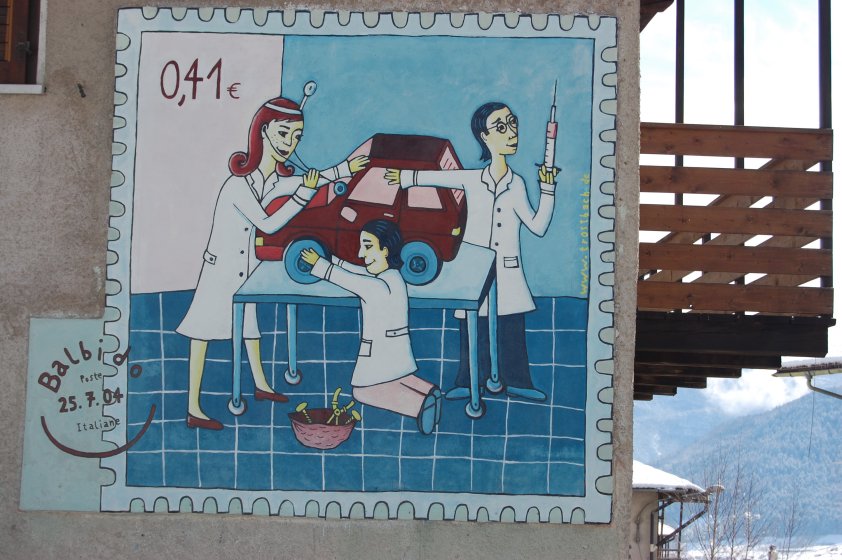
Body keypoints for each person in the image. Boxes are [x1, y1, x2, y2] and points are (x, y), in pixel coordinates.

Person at [177, 93, 369, 430]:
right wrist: (304, 195)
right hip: (220, 269)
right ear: (263, 131)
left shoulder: (272, 181)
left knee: (250, 327)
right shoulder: (237, 185)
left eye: (296, 137)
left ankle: (261, 385)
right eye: (283, 133)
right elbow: (268, 223)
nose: (289, 144)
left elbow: (308, 179)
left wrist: (343, 170)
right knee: (202, 332)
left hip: (246, 268)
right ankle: (193, 407)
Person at [385, 102, 558, 401]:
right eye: (501, 127)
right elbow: (439, 177)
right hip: (474, 271)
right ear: (484, 136)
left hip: (507, 271)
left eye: (512, 123)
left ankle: (518, 381)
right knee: (471, 325)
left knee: (510, 325)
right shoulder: (472, 179)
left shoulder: (516, 184)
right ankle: (468, 381)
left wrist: (548, 189)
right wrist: (405, 178)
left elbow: (538, 226)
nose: (511, 132)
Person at [300, 220, 442, 434]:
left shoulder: (377, 287)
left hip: (380, 351)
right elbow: (360, 272)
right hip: (396, 350)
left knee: (362, 392)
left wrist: (320, 265)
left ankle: (419, 405)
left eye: (367, 246)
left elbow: (350, 280)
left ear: (385, 250)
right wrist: (333, 259)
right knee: (397, 378)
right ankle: (429, 392)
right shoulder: (393, 277)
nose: (360, 253)